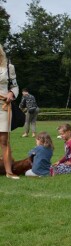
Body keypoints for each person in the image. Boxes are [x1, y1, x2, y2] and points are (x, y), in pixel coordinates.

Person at [0, 45, 20, 179]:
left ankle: (9, 171)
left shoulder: (9, 67)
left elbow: (15, 85)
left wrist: (11, 94)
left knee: (4, 140)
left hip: (3, 106)